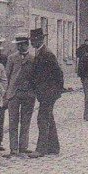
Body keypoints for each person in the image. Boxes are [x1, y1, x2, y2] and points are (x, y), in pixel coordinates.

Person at [28, 28, 64, 158]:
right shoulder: (40, 52)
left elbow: (58, 73)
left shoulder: (47, 54)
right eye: (31, 40)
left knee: (42, 119)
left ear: (40, 40)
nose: (32, 42)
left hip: (48, 92)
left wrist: (56, 91)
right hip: (45, 92)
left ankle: (41, 149)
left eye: (34, 40)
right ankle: (53, 147)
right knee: (49, 118)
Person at [3, 33, 35, 157]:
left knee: (26, 121)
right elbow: (6, 76)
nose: (20, 47)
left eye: (22, 44)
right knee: (13, 121)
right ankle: (13, 148)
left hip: (28, 94)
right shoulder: (11, 58)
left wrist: (33, 90)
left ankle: (23, 146)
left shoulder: (33, 58)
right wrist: (6, 94)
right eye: (18, 45)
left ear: (27, 44)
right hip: (14, 94)